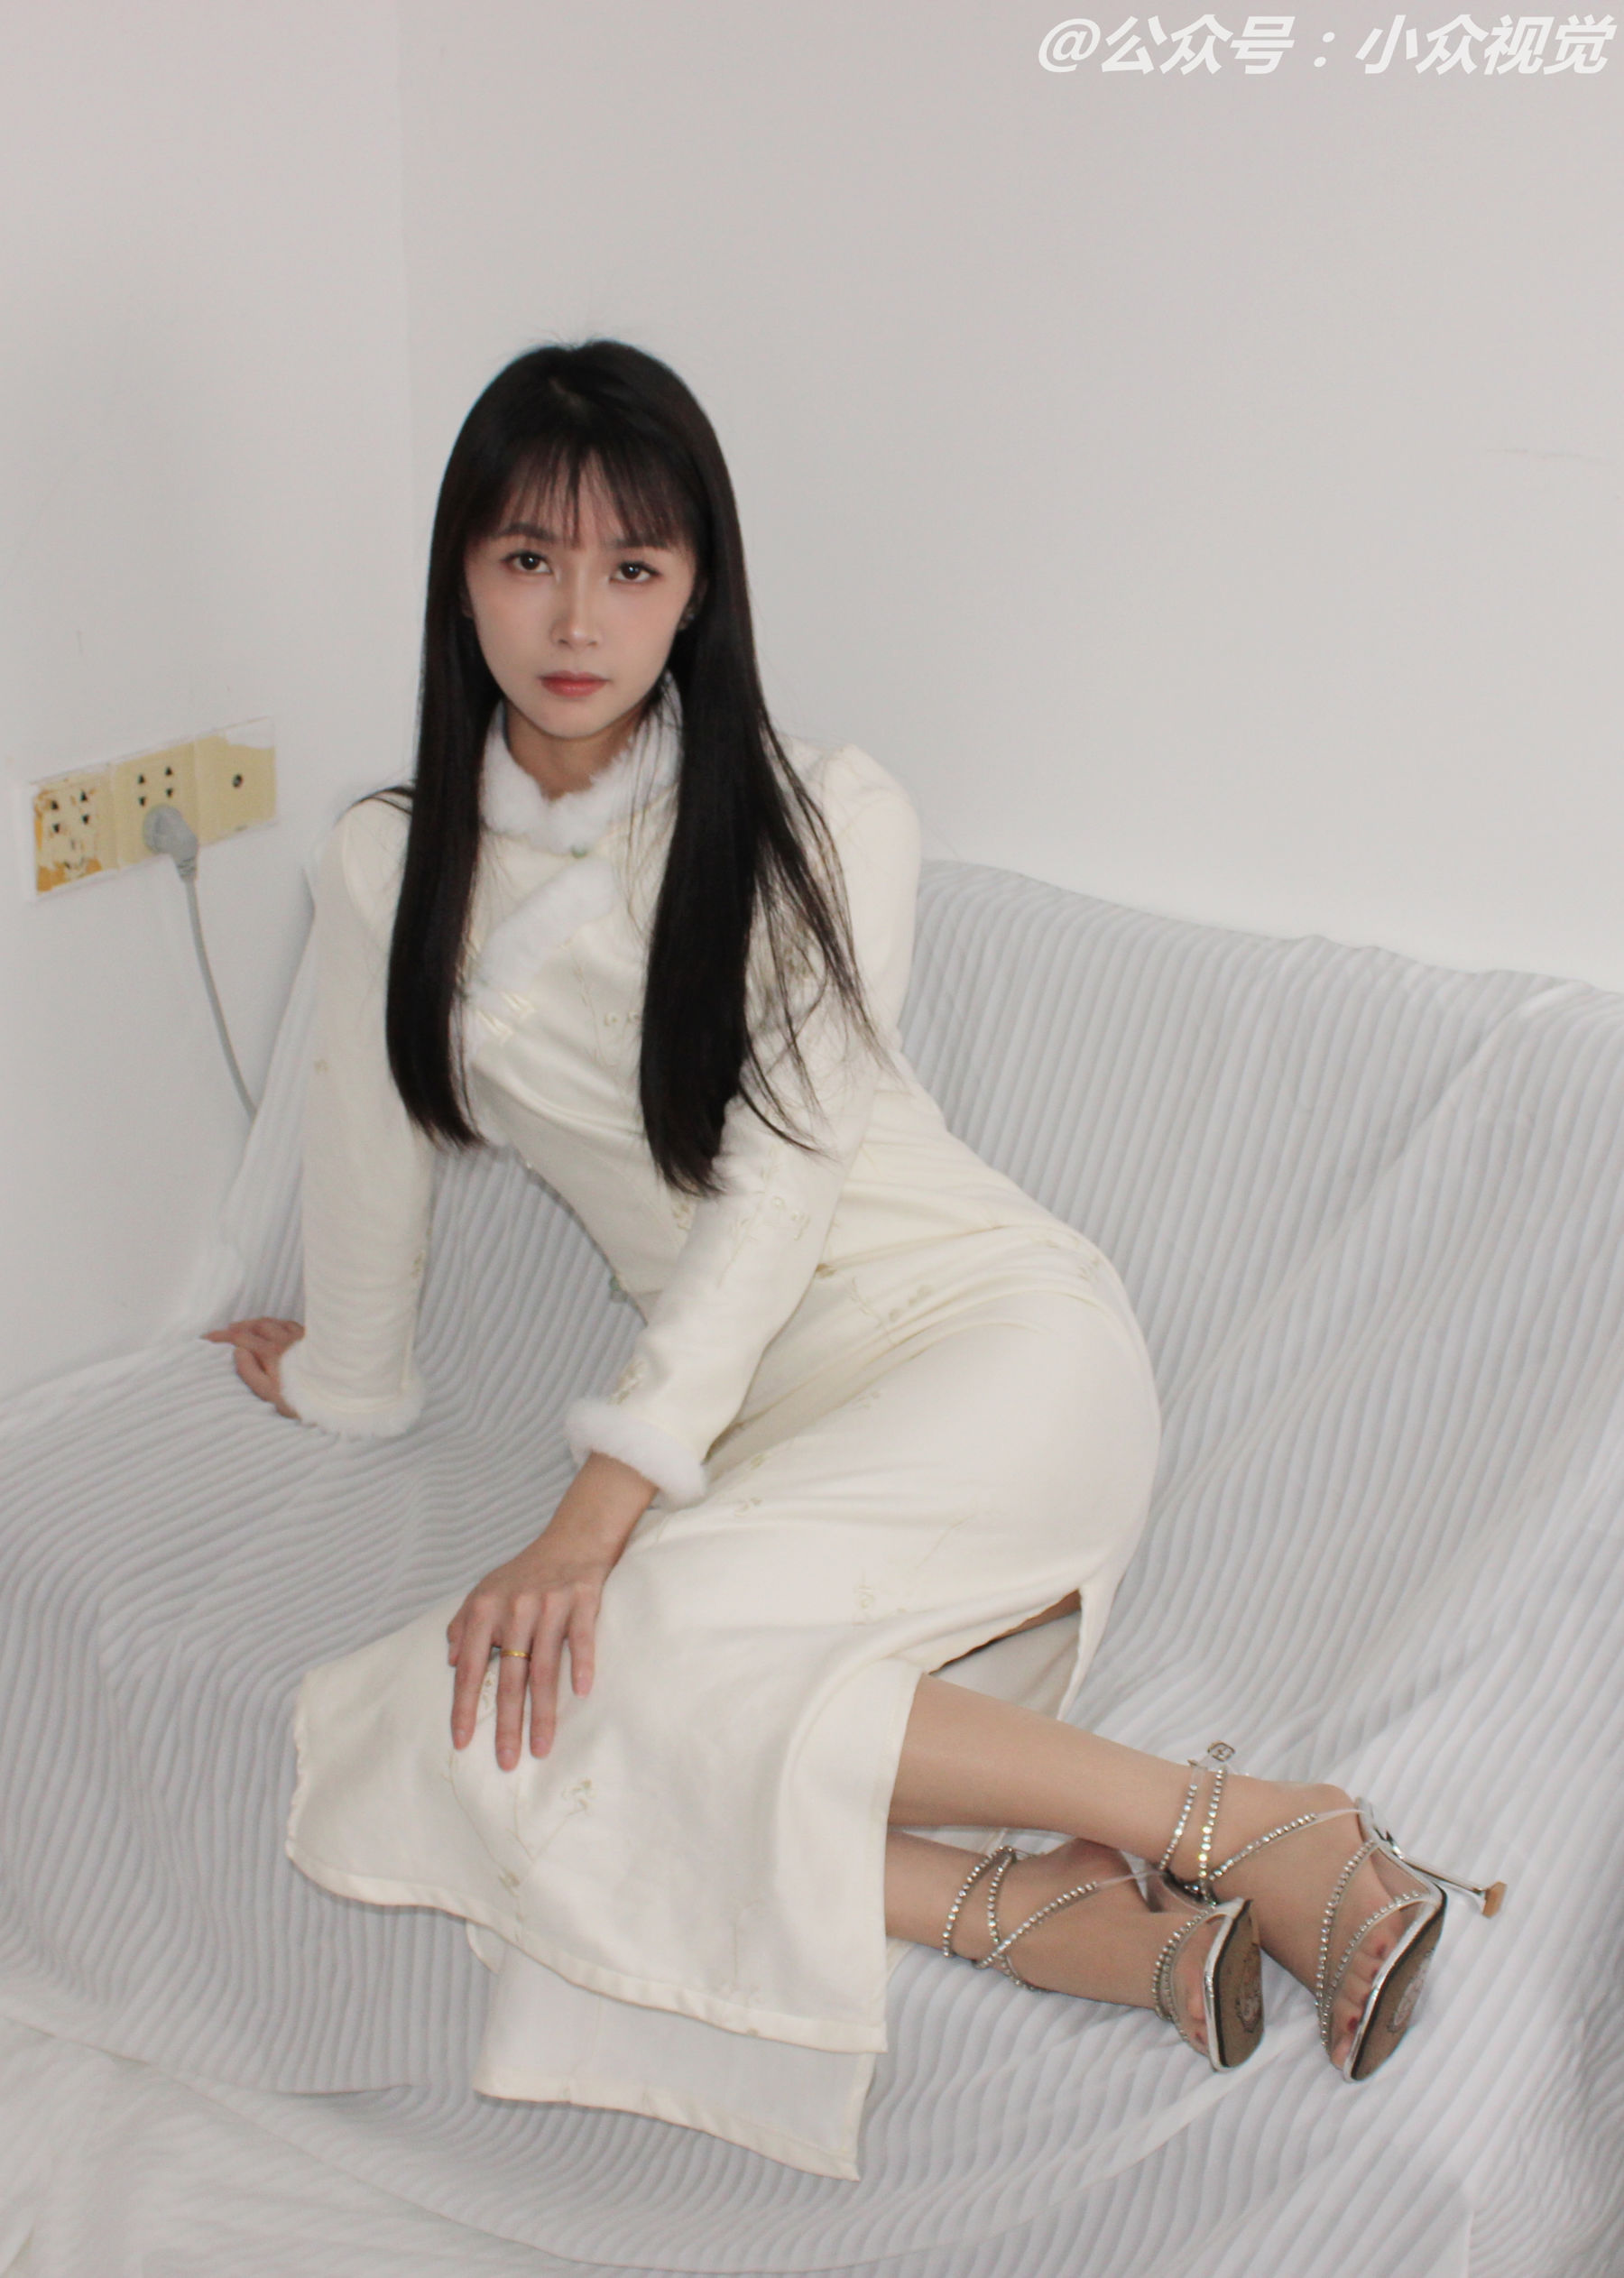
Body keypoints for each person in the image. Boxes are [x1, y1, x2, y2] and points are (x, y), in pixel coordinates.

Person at [210, 340, 1499, 2178]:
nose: (575, 616)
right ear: (462, 578)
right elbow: (367, 1160)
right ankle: (1046, 1913)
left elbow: (782, 1184)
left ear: (696, 591)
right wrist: (340, 1379)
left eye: (632, 566)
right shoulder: (387, 862)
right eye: (527, 558)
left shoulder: (822, 812)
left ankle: (1252, 1827)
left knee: (598, 1643)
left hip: (989, 1345)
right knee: (509, 1700)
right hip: (769, 1435)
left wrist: (593, 1514)